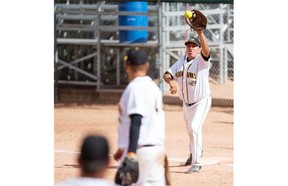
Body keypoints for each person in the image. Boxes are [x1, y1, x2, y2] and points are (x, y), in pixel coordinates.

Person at [113, 47, 166, 185]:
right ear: (147, 65)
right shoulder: (154, 88)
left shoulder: (134, 88)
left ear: (126, 66)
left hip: (139, 151)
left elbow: (136, 120)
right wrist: (122, 146)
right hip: (157, 150)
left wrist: (130, 153)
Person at [162, 29, 212, 173]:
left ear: (199, 49)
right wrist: (171, 83)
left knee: (195, 127)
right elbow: (167, 74)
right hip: (186, 104)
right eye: (188, 46)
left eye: (194, 46)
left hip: (201, 101)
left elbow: (207, 51)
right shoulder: (181, 61)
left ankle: (196, 163)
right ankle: (196, 152)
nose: (190, 48)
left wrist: (200, 33)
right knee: (190, 130)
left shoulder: (201, 61)